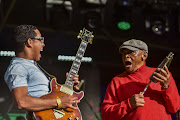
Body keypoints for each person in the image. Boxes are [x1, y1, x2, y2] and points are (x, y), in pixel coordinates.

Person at [4, 25, 80, 118]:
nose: (43, 44)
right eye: (40, 40)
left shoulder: (32, 66)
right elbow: (22, 102)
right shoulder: (18, 67)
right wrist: (59, 102)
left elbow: (44, 94)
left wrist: (68, 87)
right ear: (30, 42)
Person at [101, 39, 180, 120]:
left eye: (131, 52)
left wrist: (167, 88)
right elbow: (105, 115)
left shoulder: (162, 75)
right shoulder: (117, 81)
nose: (126, 56)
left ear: (144, 55)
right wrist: (128, 104)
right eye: (124, 54)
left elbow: (174, 108)